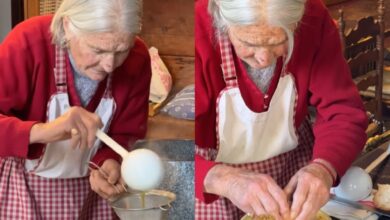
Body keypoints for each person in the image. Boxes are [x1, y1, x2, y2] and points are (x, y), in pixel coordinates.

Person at [195, 0, 368, 219]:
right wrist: (221, 179)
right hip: (210, 181)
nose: (263, 59)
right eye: (248, 42)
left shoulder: (314, 17)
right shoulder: (194, 26)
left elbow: (343, 112)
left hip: (292, 167)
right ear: (221, 20)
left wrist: (323, 168)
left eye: (280, 41)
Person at [0, 0, 150, 218]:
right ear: (68, 26)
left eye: (121, 50)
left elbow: (125, 134)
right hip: (21, 189)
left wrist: (108, 161)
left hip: (90, 195)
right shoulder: (27, 42)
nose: (110, 64)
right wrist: (44, 131)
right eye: (98, 50)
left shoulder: (138, 60)